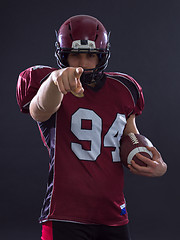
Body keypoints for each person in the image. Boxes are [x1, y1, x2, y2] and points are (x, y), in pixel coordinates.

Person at [16, 15, 167, 240]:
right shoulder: (48, 83)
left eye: (91, 56)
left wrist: (157, 164)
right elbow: (40, 110)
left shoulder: (125, 88)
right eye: (75, 55)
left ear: (102, 56)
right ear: (63, 55)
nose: (82, 63)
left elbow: (130, 135)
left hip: (113, 212)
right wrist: (55, 82)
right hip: (65, 213)